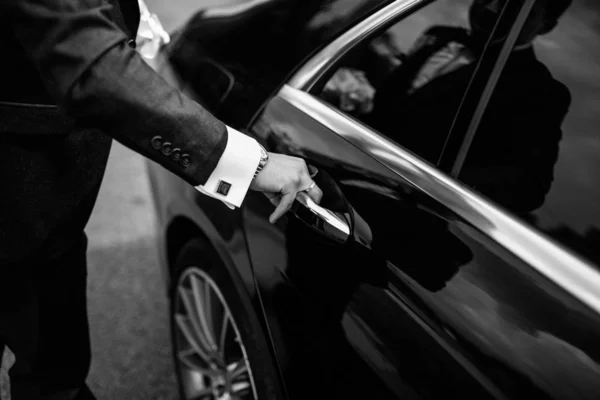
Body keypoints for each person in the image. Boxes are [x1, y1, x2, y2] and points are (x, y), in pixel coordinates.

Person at [0, 0, 322, 399]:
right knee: (54, 379)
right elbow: (89, 62)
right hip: (22, 192)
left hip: (42, 211)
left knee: (53, 366)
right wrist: (251, 166)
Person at [326, 0, 572, 215]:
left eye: (515, 6)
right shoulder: (439, 35)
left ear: (546, 25)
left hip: (406, 225)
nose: (491, 7)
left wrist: (433, 185)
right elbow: (396, 107)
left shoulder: (540, 91)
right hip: (335, 185)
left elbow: (529, 187)